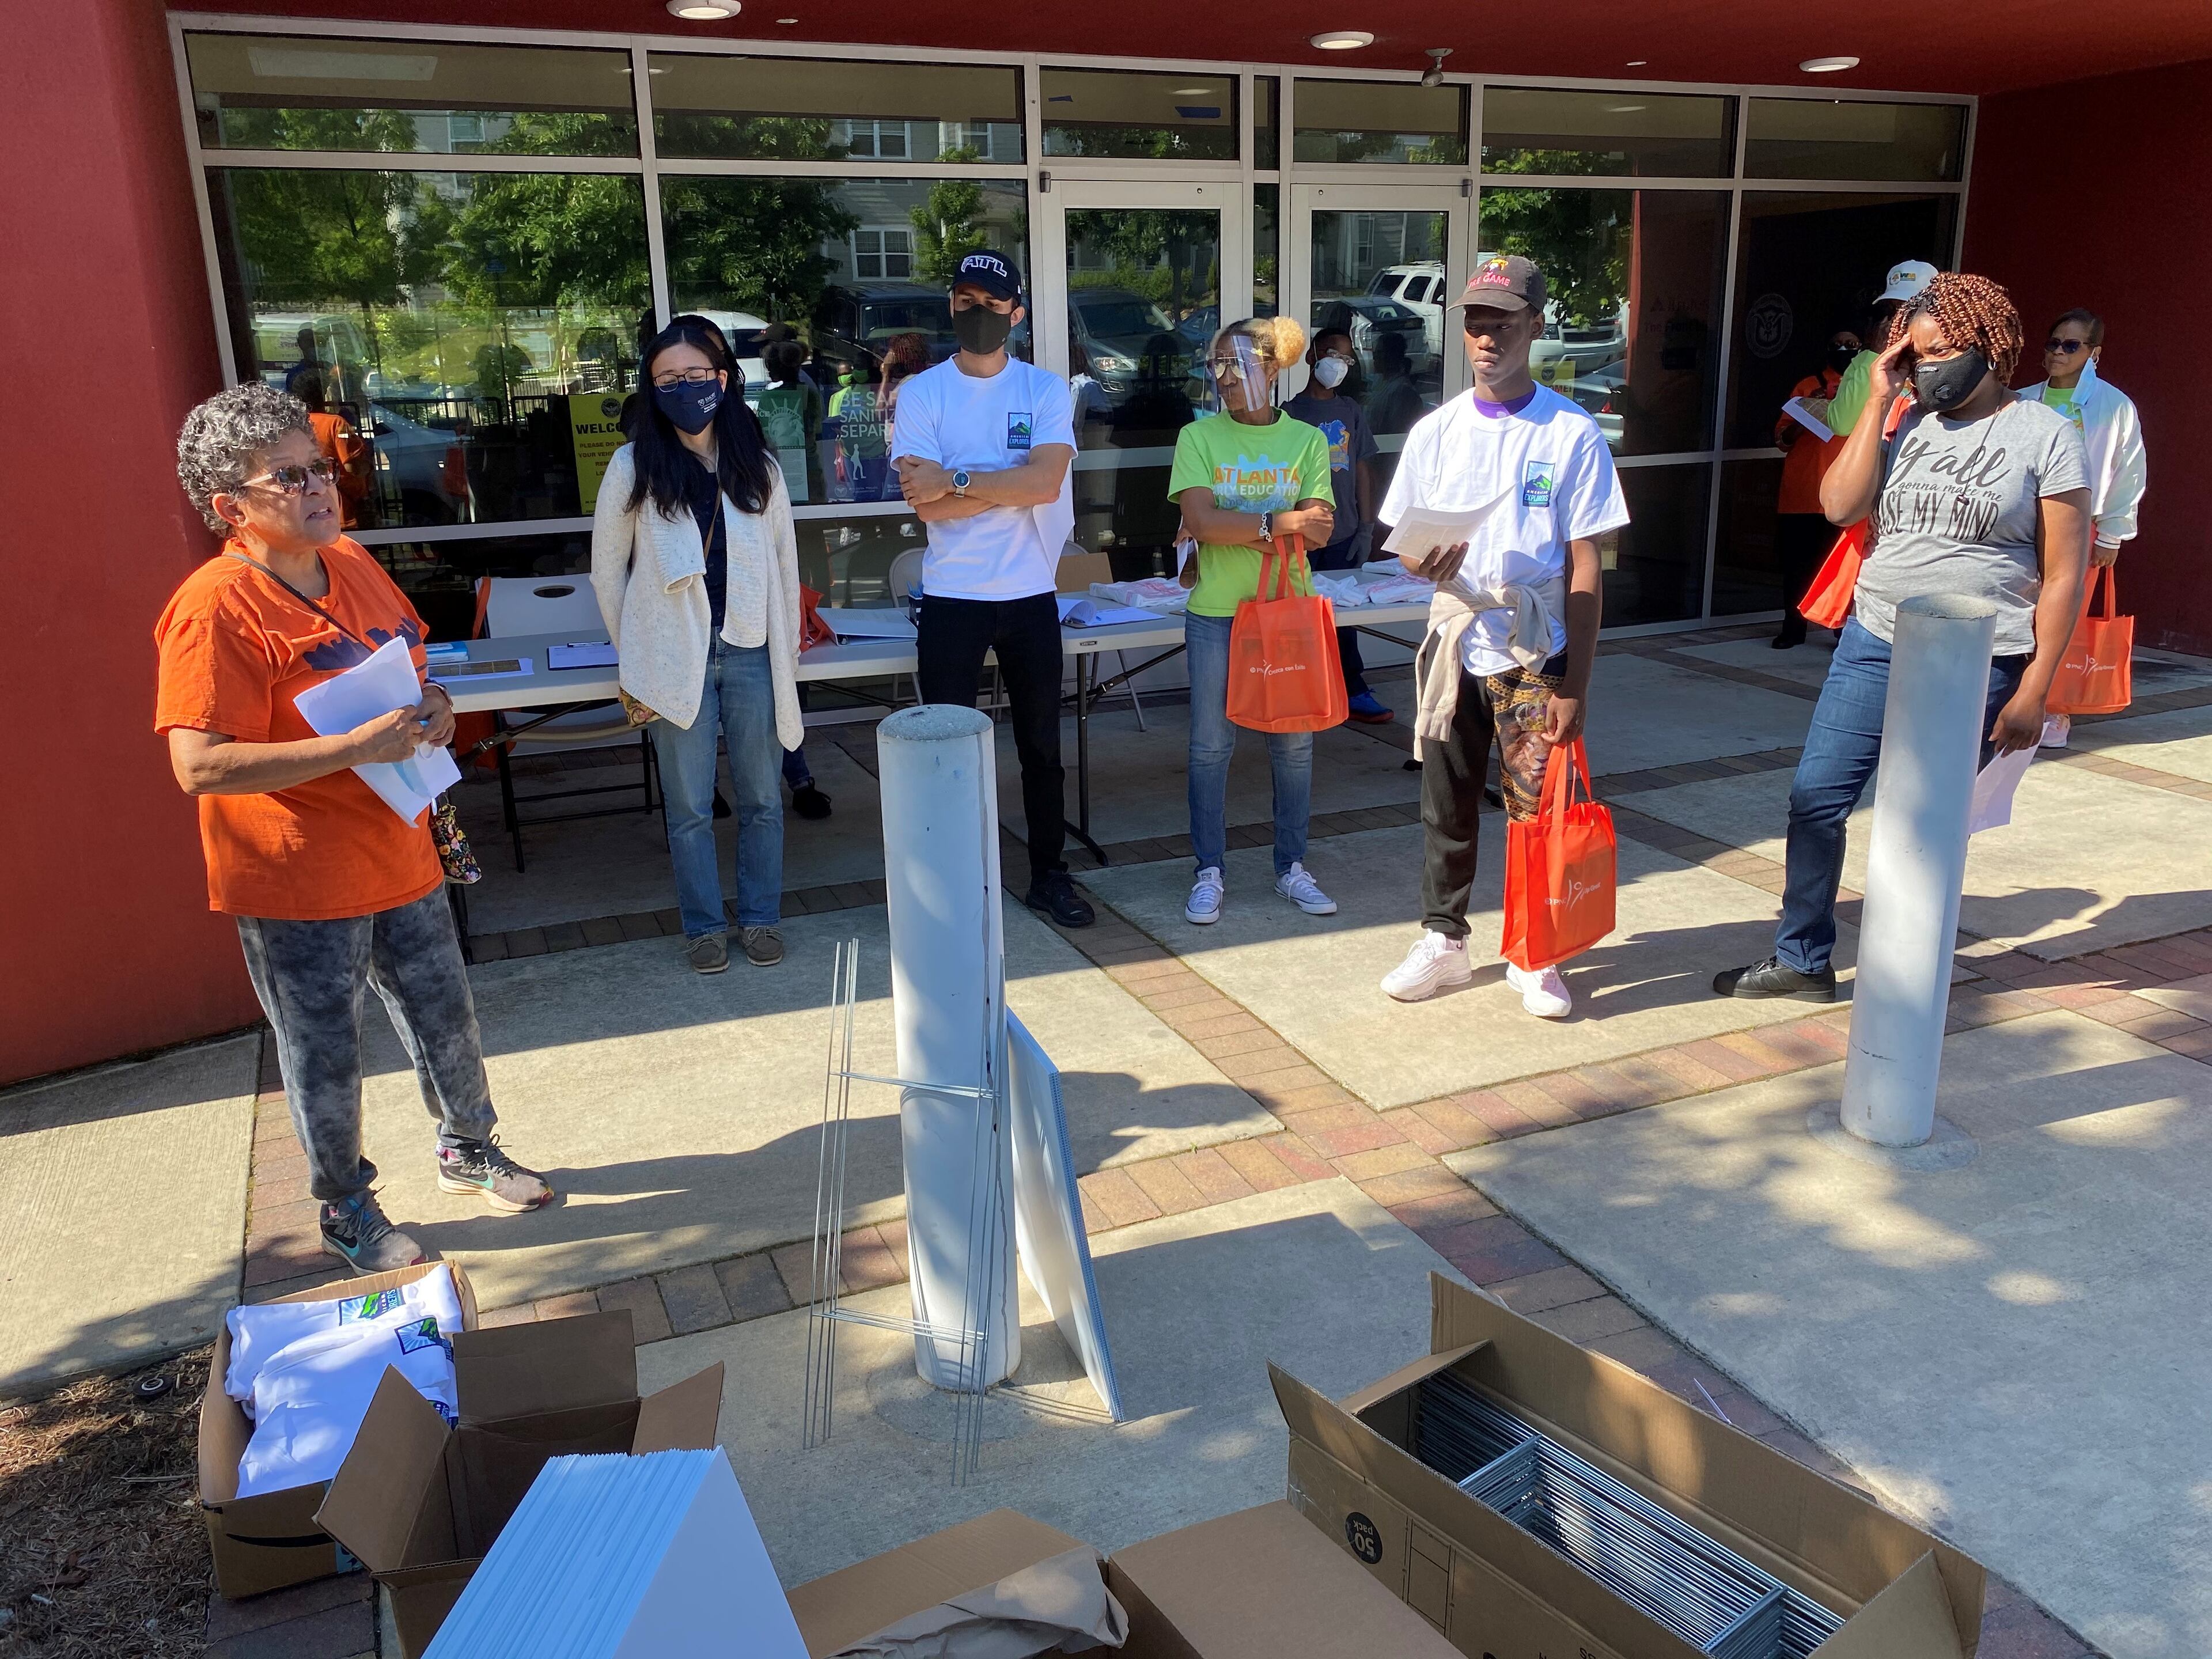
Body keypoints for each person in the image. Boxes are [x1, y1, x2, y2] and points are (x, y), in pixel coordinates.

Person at [157, 383, 553, 1274]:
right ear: (231, 508)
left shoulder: (357, 563)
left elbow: (414, 673)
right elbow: (198, 765)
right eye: (287, 478)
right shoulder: (215, 608)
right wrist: (350, 747)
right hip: (296, 881)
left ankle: (468, 1147)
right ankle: (345, 1207)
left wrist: (439, 707)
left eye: (319, 468)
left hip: (400, 845)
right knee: (326, 1056)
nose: (318, 487)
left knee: (447, 1020)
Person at [1715, 272, 2090, 1002]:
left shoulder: (2045, 434)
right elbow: (1836, 505)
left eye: (1944, 351)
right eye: (1917, 355)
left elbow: (2064, 578)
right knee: (1815, 798)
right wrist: (1883, 396)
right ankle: (1803, 958)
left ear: (1988, 345)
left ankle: (1906, 976)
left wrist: (2036, 692)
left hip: (1977, 659)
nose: (1931, 368)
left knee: (1923, 822)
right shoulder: (1905, 418)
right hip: (1874, 638)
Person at [1373, 255, 1628, 1020]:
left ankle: (1535, 949)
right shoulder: (1435, 432)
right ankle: (1444, 942)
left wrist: (1576, 683)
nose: (1486, 337)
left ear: (1536, 327)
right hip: (1457, 638)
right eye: (1475, 322)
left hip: (1532, 648)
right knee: (1445, 800)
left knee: (1533, 805)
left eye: (1503, 322)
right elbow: (1408, 545)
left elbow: (1587, 562)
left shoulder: (1570, 432)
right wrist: (1429, 563)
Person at [592, 318, 806, 973]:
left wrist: (787, 656)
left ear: (723, 377)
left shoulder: (758, 467)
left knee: (763, 798)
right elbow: (608, 573)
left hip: (749, 649)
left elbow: (786, 569)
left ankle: (762, 919)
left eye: (696, 376)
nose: (684, 389)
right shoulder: (633, 466)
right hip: (674, 657)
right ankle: (704, 928)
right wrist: (640, 654)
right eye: (668, 380)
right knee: (687, 808)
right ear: (650, 390)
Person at [891, 249, 1093, 927]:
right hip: (951, 600)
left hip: (1031, 595)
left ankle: (1049, 876)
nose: (978, 311)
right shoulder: (922, 393)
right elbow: (926, 505)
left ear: (1018, 313)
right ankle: (951, 885)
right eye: (965, 298)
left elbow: (1045, 484)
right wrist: (996, 483)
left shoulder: (1042, 390)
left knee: (1042, 749)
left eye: (992, 301)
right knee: (946, 750)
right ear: (951, 304)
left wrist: (961, 478)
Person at [1170, 317, 1339, 927]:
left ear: (1272, 369)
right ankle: (1208, 871)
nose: (1223, 377)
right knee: (1210, 747)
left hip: (1287, 613)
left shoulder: (1307, 441)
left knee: (1294, 746)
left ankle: (1291, 866)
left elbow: (1320, 528)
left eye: (1236, 363)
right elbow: (1204, 523)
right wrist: (1278, 523)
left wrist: (1250, 526)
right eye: (1215, 365)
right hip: (1217, 615)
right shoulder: (1199, 438)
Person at [2018, 308, 2148, 748]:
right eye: (2053, 343)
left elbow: (2128, 469)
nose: (2057, 352)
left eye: (2071, 345)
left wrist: (2112, 533)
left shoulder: (2114, 406)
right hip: (2019, 523)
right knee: (2016, 611)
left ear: (2095, 353)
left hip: (2078, 529)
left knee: (2062, 618)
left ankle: (2055, 708)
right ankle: (2009, 695)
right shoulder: (2022, 398)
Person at [1285, 327, 1391, 723]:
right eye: (1332, 354)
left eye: (1347, 359)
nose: (1338, 365)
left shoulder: (1350, 410)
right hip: (1302, 537)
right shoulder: (1290, 414)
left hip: (1344, 531)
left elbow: (1363, 469)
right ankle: (1302, 687)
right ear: (1311, 357)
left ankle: (1353, 687)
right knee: (1300, 614)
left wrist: (1367, 526)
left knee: (1345, 616)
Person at [1768, 328, 1861, 648]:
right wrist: (1808, 409)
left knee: (1843, 569)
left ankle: (1841, 631)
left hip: (1846, 496)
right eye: (1838, 345)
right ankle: (1793, 629)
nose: (1844, 350)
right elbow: (1782, 439)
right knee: (1796, 568)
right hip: (1802, 495)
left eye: (1852, 346)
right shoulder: (1807, 387)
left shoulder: (1864, 390)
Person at [1825, 260, 1937, 444]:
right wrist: (1875, 355)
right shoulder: (1866, 359)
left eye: (1910, 308)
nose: (1900, 317)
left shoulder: (1947, 357)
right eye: (1893, 309)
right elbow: (1841, 424)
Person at [296, 374, 376, 531]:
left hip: (310, 512)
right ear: (323, 395)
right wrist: (370, 467)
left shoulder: (294, 428)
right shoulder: (335, 424)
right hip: (345, 509)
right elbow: (354, 467)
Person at [757, 337, 827, 505]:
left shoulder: (767, 398)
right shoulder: (810, 394)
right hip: (810, 469)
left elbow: (762, 435)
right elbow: (818, 430)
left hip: (778, 470)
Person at [1365, 328, 1428, 438]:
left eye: (1379, 353)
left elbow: (1396, 433)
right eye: (1374, 353)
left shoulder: (1403, 392)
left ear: (1392, 356)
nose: (1375, 358)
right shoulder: (1379, 383)